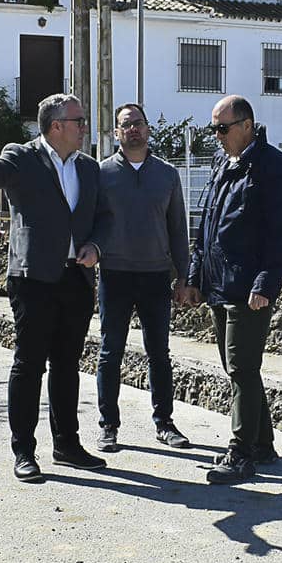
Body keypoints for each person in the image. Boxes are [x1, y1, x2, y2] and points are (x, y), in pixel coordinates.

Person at [0, 95, 108, 482]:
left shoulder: (88, 167)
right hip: (33, 280)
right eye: (78, 120)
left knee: (67, 366)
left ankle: (67, 444)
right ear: (55, 127)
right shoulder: (22, 156)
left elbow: (103, 216)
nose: (84, 126)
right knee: (29, 365)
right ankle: (24, 451)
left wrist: (96, 246)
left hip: (76, 279)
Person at [187, 95, 282, 484]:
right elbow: (207, 225)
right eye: (213, 128)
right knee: (239, 370)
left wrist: (266, 282)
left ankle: (240, 453)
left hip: (249, 289)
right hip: (220, 284)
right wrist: (195, 275)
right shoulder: (224, 164)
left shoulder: (272, 168)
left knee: (242, 369)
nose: (217, 136)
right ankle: (262, 444)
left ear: (247, 125)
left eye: (223, 128)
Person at [93, 103, 194, 453]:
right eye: (125, 125)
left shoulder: (167, 175)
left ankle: (164, 423)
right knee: (110, 353)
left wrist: (183, 277)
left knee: (159, 353)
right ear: (116, 134)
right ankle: (108, 426)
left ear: (148, 129)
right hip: (115, 276)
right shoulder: (101, 173)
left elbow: (178, 230)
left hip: (155, 277)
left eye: (138, 123)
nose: (132, 129)